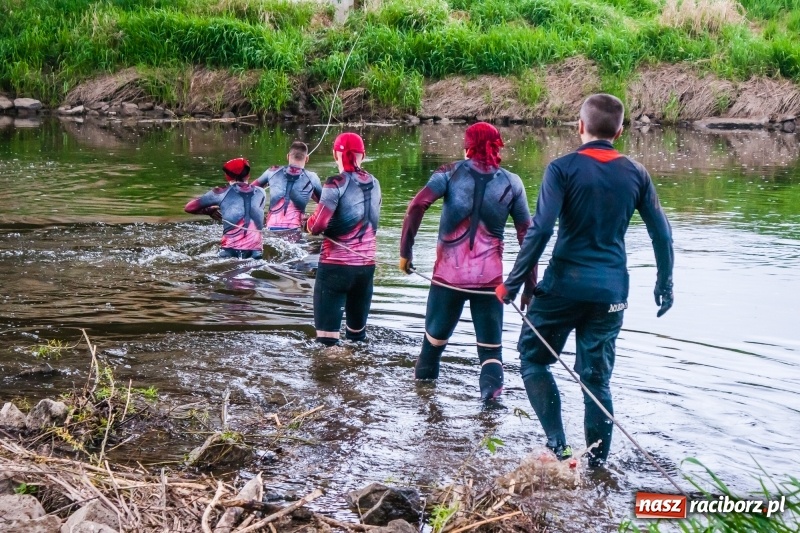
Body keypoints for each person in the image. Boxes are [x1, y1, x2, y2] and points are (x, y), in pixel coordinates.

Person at [495, 94, 674, 467]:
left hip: (563, 286)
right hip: (611, 292)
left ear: (579, 126)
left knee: (532, 358)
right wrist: (665, 282)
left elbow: (541, 229)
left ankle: (558, 446)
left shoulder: (561, 169)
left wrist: (512, 283)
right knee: (596, 382)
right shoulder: (637, 173)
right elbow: (662, 233)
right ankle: (596, 469)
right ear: (620, 131)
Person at [399, 122, 536, 402]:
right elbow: (528, 236)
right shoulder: (512, 183)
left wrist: (406, 252)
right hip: (490, 285)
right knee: (490, 354)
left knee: (432, 348)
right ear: (497, 147)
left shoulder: (448, 174)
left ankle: (424, 413)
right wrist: (529, 285)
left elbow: (416, 206)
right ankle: (490, 414)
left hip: (448, 281)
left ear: (468, 146)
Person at [305, 132, 381, 346]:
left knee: (326, 344)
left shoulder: (334, 183)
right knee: (357, 340)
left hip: (335, 268)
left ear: (334, 155)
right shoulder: (375, 183)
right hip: (365, 270)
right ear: (363, 156)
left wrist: (307, 223)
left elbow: (318, 225)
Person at [184, 157, 266, 259]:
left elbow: (189, 207)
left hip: (228, 251)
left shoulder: (219, 193)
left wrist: (209, 211)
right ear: (248, 174)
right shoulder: (261, 192)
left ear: (227, 176)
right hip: (255, 253)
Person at [251, 141, 322, 232]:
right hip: (294, 230)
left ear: (288, 156)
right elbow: (326, 204)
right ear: (307, 159)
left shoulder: (272, 172)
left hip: (270, 228)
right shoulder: (312, 178)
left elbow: (248, 190)